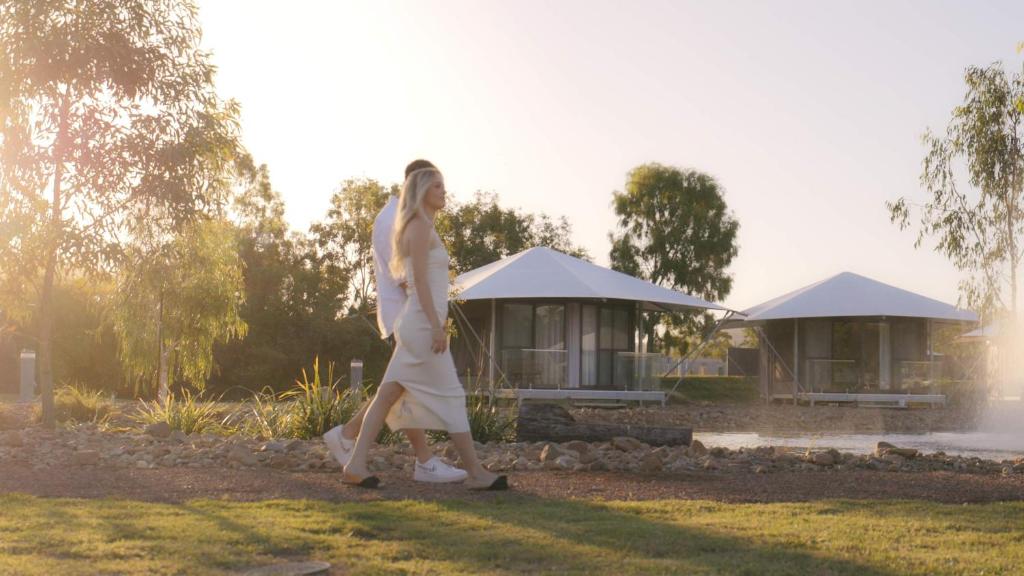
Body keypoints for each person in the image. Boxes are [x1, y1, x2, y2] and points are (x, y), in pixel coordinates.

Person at [341, 166, 508, 490]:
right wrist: (436, 326)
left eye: (444, 185)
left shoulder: (423, 225)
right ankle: (475, 472)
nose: (444, 191)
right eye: (437, 186)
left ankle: (355, 464)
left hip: (416, 324)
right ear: (420, 192)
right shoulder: (418, 226)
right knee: (452, 396)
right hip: (420, 325)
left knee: (387, 394)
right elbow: (417, 281)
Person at [323, 160, 467, 484]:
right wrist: (430, 320)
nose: (440, 190)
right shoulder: (393, 218)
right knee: (402, 389)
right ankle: (425, 461)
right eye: (433, 183)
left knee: (397, 389)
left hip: (414, 313)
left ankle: (349, 439)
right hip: (407, 313)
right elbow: (404, 274)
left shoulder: (409, 216)